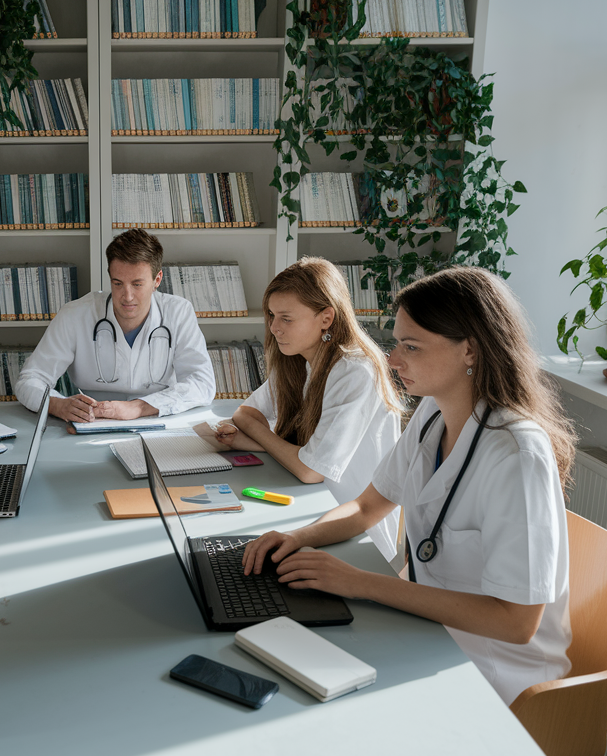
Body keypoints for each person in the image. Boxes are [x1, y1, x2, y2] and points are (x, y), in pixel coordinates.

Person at [242, 267, 576, 705]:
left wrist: (360, 582)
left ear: (470, 351)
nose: (394, 360)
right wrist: (295, 538)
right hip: (424, 627)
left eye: (411, 347)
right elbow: (365, 508)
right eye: (397, 343)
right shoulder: (432, 415)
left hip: (494, 668)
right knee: (282, 654)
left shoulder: (518, 457)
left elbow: (515, 623)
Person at [199, 257, 403, 558]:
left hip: (355, 531)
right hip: (307, 504)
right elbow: (245, 413)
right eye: (271, 315)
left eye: (286, 318)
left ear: (325, 318)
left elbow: (310, 470)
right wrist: (260, 440)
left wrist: (258, 440)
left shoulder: (354, 371)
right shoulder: (297, 360)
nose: (274, 328)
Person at [14, 228, 215, 422]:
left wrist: (137, 407)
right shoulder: (75, 315)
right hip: (91, 420)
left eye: (137, 284)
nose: (127, 297)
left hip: (157, 416)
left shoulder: (178, 313)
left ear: (157, 279)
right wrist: (56, 405)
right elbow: (30, 379)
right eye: (118, 283)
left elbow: (202, 384)